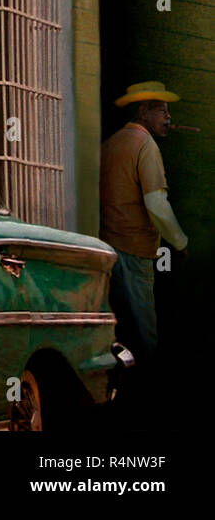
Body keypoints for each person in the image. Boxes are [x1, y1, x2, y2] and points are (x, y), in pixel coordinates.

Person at [99, 81, 189, 368]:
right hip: (136, 252)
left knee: (115, 329)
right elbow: (157, 205)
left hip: (107, 248)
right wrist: (180, 242)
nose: (168, 118)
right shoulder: (145, 145)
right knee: (144, 334)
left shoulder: (110, 143)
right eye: (162, 111)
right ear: (143, 112)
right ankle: (150, 389)